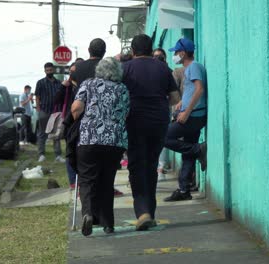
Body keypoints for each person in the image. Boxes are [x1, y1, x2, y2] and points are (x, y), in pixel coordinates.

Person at [122, 34, 180, 231]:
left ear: (132, 50)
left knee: (137, 166)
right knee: (151, 164)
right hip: (158, 122)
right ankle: (150, 212)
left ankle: (143, 212)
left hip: (134, 122)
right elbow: (174, 98)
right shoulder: (163, 68)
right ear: (151, 48)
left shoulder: (126, 68)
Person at [71, 57, 129, 236]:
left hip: (89, 139)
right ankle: (108, 223)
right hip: (114, 141)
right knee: (107, 181)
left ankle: (88, 213)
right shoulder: (123, 89)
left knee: (87, 180)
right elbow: (126, 113)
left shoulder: (88, 84)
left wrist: (79, 121)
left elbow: (76, 109)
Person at [164, 38, 208, 202]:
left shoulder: (193, 67)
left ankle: (198, 150)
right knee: (187, 154)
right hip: (192, 114)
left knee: (164, 137)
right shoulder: (190, 68)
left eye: (176, 52)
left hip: (193, 116)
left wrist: (187, 112)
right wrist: (182, 103)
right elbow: (191, 90)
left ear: (183, 53)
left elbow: (199, 89)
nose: (175, 55)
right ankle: (184, 189)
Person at [34, 62, 64, 163]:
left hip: (56, 111)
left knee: (56, 133)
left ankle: (58, 155)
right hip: (44, 110)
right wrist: (38, 108)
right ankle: (41, 154)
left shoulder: (59, 83)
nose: (49, 72)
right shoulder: (40, 82)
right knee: (42, 133)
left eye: (50, 70)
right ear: (44, 71)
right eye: (47, 71)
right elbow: (37, 96)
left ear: (53, 70)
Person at [55, 62, 78, 188]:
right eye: (71, 71)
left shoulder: (84, 84)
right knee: (70, 152)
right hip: (69, 123)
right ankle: (73, 180)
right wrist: (63, 87)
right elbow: (56, 100)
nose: (72, 74)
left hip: (81, 122)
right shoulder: (67, 86)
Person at [152, 48, 171, 181]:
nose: (158, 59)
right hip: (152, 111)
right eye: (155, 57)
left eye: (160, 57)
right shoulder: (149, 72)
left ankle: (161, 167)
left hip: (165, 111)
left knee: (162, 140)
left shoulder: (169, 72)